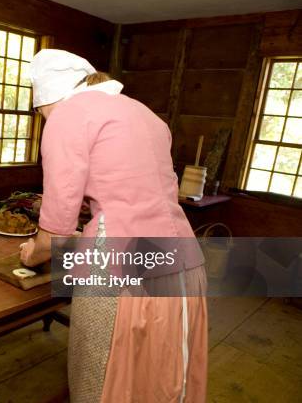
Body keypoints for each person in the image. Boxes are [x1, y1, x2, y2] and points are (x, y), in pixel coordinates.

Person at [19, 49, 208, 402]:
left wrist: (34, 253)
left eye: (41, 112)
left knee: (100, 378)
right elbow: (137, 197)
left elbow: (56, 228)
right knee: (156, 380)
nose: (45, 120)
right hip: (183, 260)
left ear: (49, 98)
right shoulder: (147, 115)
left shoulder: (68, 115)